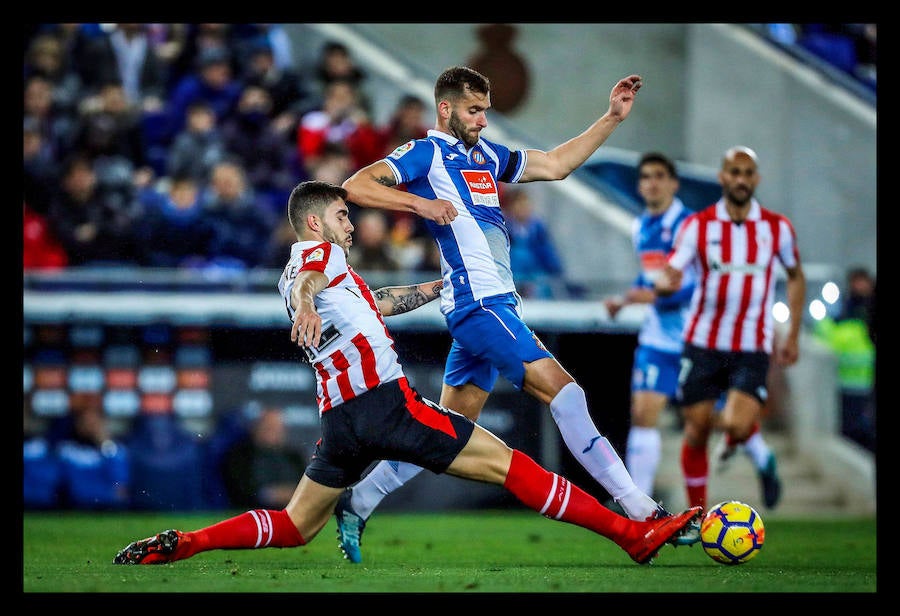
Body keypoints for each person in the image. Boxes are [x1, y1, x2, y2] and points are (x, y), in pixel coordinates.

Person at [112, 180, 701, 566]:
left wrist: (440, 286)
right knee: (513, 466)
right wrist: (311, 302)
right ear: (315, 222)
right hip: (385, 404)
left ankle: (188, 544)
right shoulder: (318, 258)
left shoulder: (315, 275)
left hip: (341, 423)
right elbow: (313, 280)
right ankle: (633, 534)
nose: (350, 224)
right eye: (342, 215)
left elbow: (379, 302)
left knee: (295, 525)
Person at [337, 66, 698, 563]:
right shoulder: (426, 152)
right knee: (567, 393)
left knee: (445, 430)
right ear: (446, 109)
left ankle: (357, 501)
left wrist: (611, 118)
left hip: (494, 304)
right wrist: (420, 205)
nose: (482, 120)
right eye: (473, 110)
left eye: (485, 111)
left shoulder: (486, 156)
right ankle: (642, 510)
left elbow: (554, 164)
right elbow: (356, 185)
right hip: (478, 305)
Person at [655, 145, 806, 511]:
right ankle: (697, 516)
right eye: (734, 172)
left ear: (756, 179)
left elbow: (795, 276)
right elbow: (671, 270)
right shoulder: (698, 225)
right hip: (703, 341)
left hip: (752, 343)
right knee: (696, 430)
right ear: (722, 177)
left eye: (747, 173)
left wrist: (792, 333)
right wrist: (665, 283)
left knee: (736, 425)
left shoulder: (777, 228)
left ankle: (756, 451)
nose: (741, 179)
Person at [603, 152, 696, 500]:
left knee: (715, 423)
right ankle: (639, 506)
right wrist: (625, 299)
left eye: (659, 176)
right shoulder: (640, 226)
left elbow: (696, 285)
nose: (651, 183)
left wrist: (652, 296)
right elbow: (649, 278)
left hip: (695, 337)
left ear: (673, 183)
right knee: (642, 414)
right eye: (645, 177)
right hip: (658, 337)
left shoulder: (690, 227)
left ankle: (759, 455)